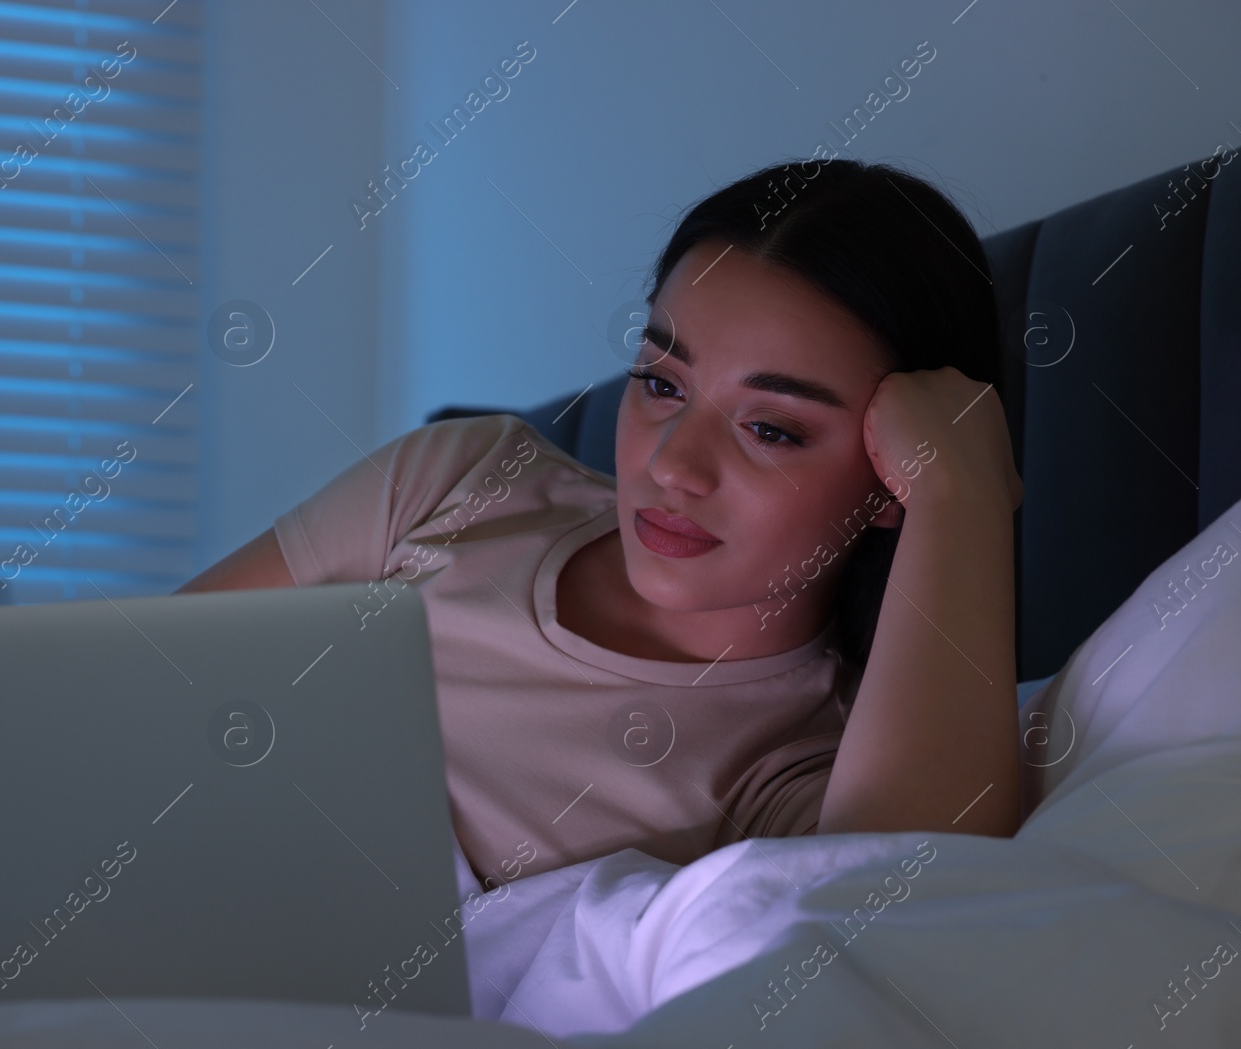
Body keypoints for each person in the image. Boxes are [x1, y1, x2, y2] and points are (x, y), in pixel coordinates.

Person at [176, 158, 1024, 888]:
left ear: (889, 479)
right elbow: (140, 688)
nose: (672, 466)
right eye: (662, 382)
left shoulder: (808, 760)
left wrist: (961, 497)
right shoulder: (466, 478)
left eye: (771, 428)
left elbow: (914, 918)